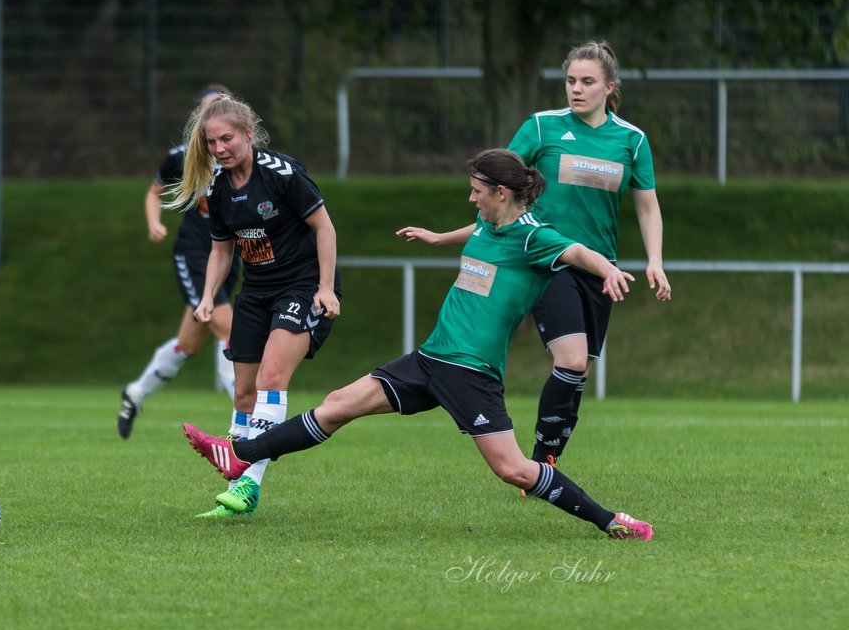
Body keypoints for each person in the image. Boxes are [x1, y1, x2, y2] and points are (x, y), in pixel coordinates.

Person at [183, 149, 654, 540]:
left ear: (502, 193)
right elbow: (479, 230)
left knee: (514, 470)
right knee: (337, 404)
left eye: (476, 190)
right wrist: (437, 237)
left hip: (471, 371)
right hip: (430, 359)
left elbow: (575, 251)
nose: (471, 197)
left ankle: (610, 520)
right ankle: (239, 455)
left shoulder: (534, 238)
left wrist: (608, 270)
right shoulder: (490, 224)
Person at [414, 41, 672, 470]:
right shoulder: (540, 128)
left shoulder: (631, 140)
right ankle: (536, 466)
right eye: (571, 80)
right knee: (570, 358)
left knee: (579, 371)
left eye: (587, 82)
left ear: (609, 86)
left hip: (598, 266)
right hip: (547, 259)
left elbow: (647, 205)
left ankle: (545, 459)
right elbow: (499, 188)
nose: (576, 89)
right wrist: (449, 237)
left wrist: (655, 261)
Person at [166, 93, 341, 519]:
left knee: (271, 377)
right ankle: (237, 475)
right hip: (256, 292)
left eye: (226, 139)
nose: (219, 149)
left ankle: (248, 483)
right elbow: (222, 251)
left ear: (248, 134)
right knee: (243, 391)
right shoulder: (217, 189)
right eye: (211, 143)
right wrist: (208, 297)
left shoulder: (281, 173)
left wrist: (326, 288)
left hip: (301, 287)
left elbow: (325, 228)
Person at [118, 84, 241, 440]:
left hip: (228, 257)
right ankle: (246, 422)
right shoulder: (184, 157)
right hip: (195, 254)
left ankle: (135, 394)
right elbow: (154, 192)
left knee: (189, 344)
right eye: (209, 111)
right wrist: (154, 221)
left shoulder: (246, 157)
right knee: (229, 330)